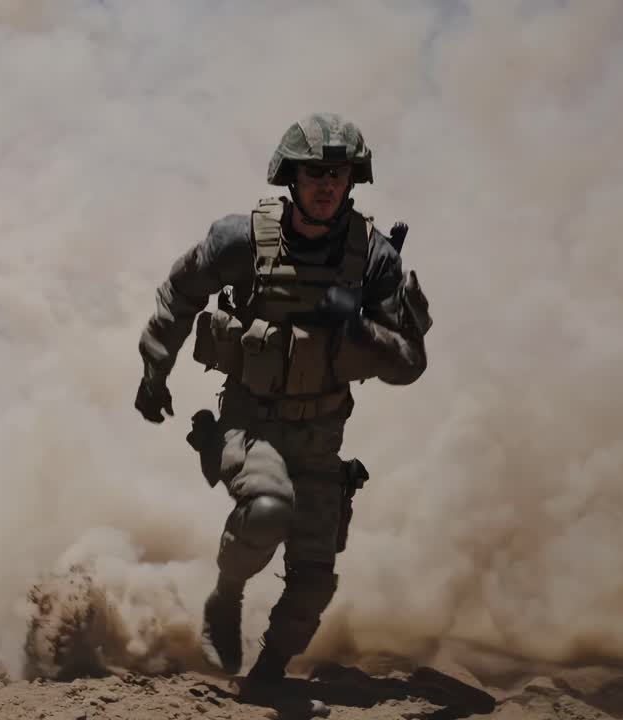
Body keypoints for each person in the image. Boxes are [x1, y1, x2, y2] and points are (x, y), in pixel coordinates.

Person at [134, 113, 432, 692]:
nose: (326, 184)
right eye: (314, 172)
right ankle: (226, 597)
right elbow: (180, 294)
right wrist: (154, 369)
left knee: (315, 579)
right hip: (250, 423)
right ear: (289, 177)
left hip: (322, 436)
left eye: (338, 173)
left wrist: (360, 328)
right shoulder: (240, 240)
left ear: (353, 180)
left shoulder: (374, 261)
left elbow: (410, 364)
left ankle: (267, 675)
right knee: (269, 507)